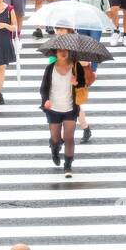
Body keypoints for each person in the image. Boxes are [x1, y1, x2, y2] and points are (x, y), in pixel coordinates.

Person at [41, 48, 86, 178]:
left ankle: (68, 165)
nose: (63, 52)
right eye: (60, 50)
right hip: (53, 109)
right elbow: (43, 88)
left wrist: (76, 82)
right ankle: (55, 148)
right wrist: (45, 100)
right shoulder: (50, 68)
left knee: (69, 137)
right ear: (55, 53)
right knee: (55, 138)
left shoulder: (76, 67)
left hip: (70, 108)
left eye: (66, 50)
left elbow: (83, 84)